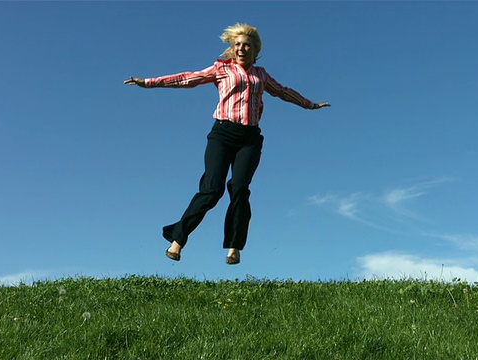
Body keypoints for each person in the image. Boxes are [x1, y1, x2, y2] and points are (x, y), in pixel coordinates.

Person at [124, 23, 329, 265]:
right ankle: (177, 240)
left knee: (240, 189)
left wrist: (310, 104)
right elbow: (187, 79)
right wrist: (148, 82)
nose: (241, 49)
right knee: (212, 190)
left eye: (247, 46)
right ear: (232, 48)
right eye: (238, 45)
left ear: (256, 50)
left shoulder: (261, 75)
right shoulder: (221, 69)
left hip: (250, 139)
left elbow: (283, 92)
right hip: (222, 135)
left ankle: (234, 247)